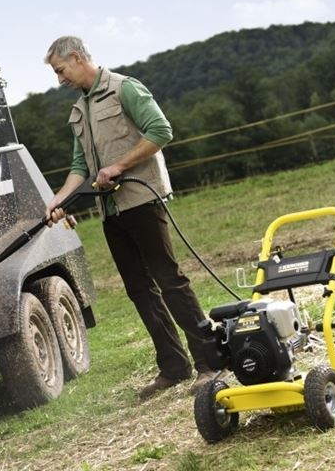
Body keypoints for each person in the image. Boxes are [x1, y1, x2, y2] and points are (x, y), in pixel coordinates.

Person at [43, 35, 219, 400]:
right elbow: (80, 167)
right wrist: (57, 201)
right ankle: (174, 367)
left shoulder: (125, 89)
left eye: (60, 70)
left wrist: (119, 165)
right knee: (140, 291)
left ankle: (209, 363)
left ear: (76, 58)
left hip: (142, 200)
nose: (59, 80)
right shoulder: (79, 110)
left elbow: (161, 131)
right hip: (111, 211)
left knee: (170, 281)